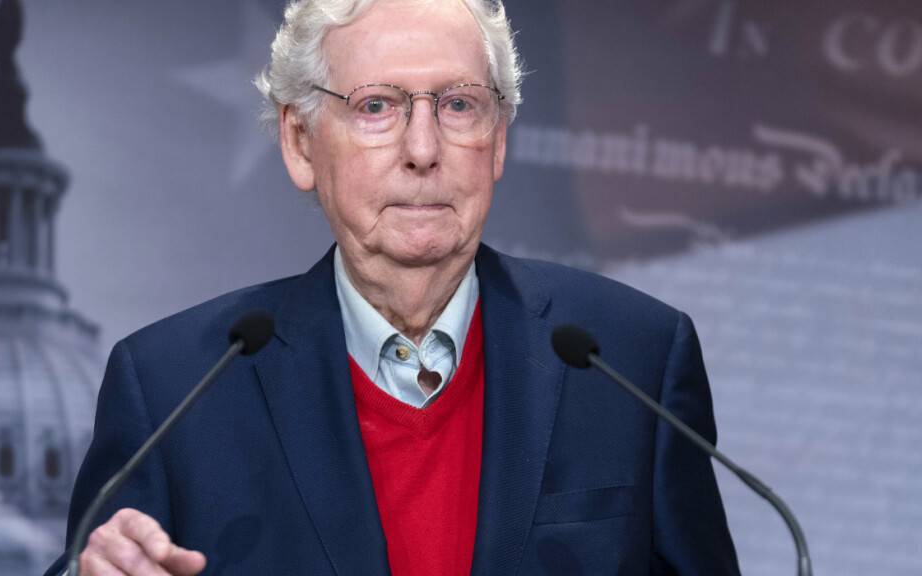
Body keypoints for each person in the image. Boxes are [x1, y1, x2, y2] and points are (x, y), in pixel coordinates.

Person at [47, 0, 740, 574]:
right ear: (299, 142)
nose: (423, 149)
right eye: (376, 105)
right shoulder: (174, 389)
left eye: (459, 105)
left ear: (498, 140)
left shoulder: (631, 359)